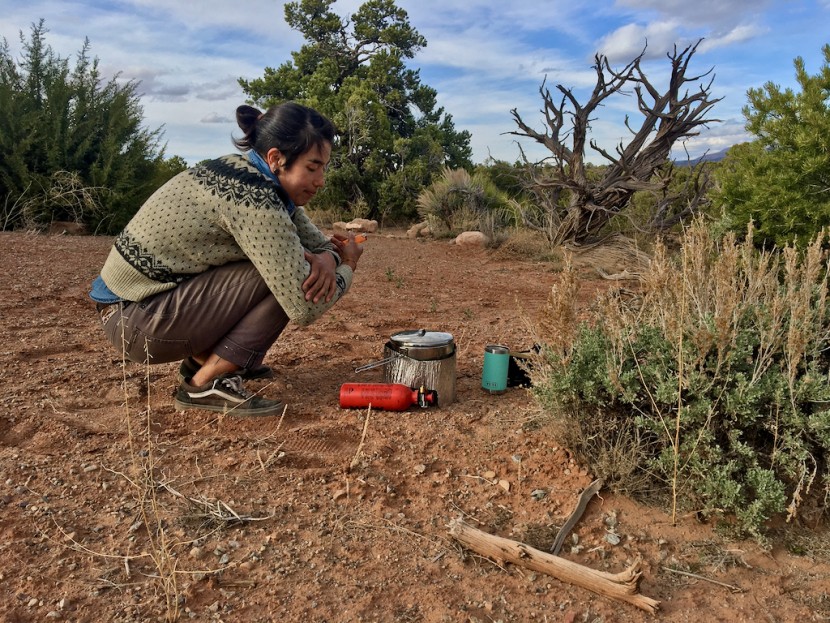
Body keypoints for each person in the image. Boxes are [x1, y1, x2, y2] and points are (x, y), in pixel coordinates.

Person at [89, 102, 362, 417]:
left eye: (323, 168)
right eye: (312, 168)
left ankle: (205, 361)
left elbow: (318, 244)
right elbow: (304, 305)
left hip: (136, 309)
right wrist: (347, 266)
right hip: (134, 321)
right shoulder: (253, 196)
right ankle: (206, 383)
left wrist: (328, 260)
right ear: (276, 158)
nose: (320, 180)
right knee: (283, 275)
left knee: (280, 264)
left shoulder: (250, 177)